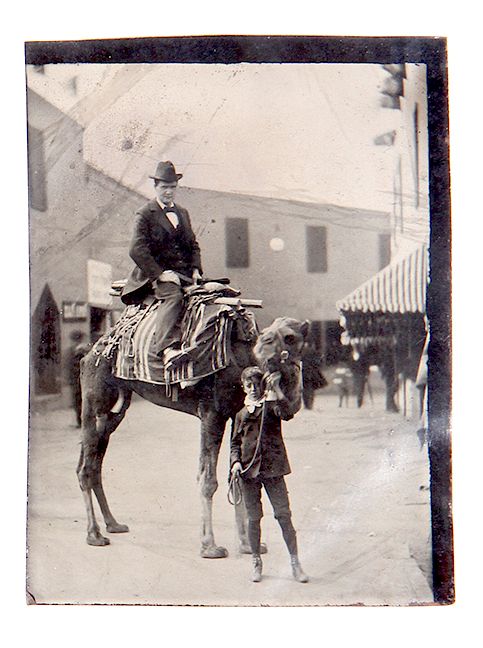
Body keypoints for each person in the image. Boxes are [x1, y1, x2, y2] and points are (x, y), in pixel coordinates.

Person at [230, 366, 309, 583]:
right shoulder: (240, 414)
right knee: (254, 518)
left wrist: (277, 390)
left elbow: (288, 413)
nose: (254, 389)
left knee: (283, 515)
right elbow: (234, 443)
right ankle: (256, 561)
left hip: (273, 470)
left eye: (257, 384)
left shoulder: (272, 407)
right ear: (243, 387)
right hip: (248, 472)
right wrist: (235, 463)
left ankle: (295, 562)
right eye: (249, 385)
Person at [121, 161, 203, 361]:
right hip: (155, 276)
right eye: (164, 187)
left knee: (211, 293)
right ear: (156, 187)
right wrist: (160, 274)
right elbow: (136, 249)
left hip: (183, 274)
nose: (169, 192)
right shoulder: (145, 213)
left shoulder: (182, 213)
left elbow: (192, 245)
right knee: (173, 296)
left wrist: (195, 269)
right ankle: (166, 348)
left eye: (172, 187)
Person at [66, 330, 90, 427]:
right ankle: (81, 421)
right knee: (79, 401)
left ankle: (81, 422)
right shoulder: (80, 349)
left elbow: (75, 367)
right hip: (79, 379)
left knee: (79, 401)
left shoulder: (79, 350)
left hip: (79, 380)